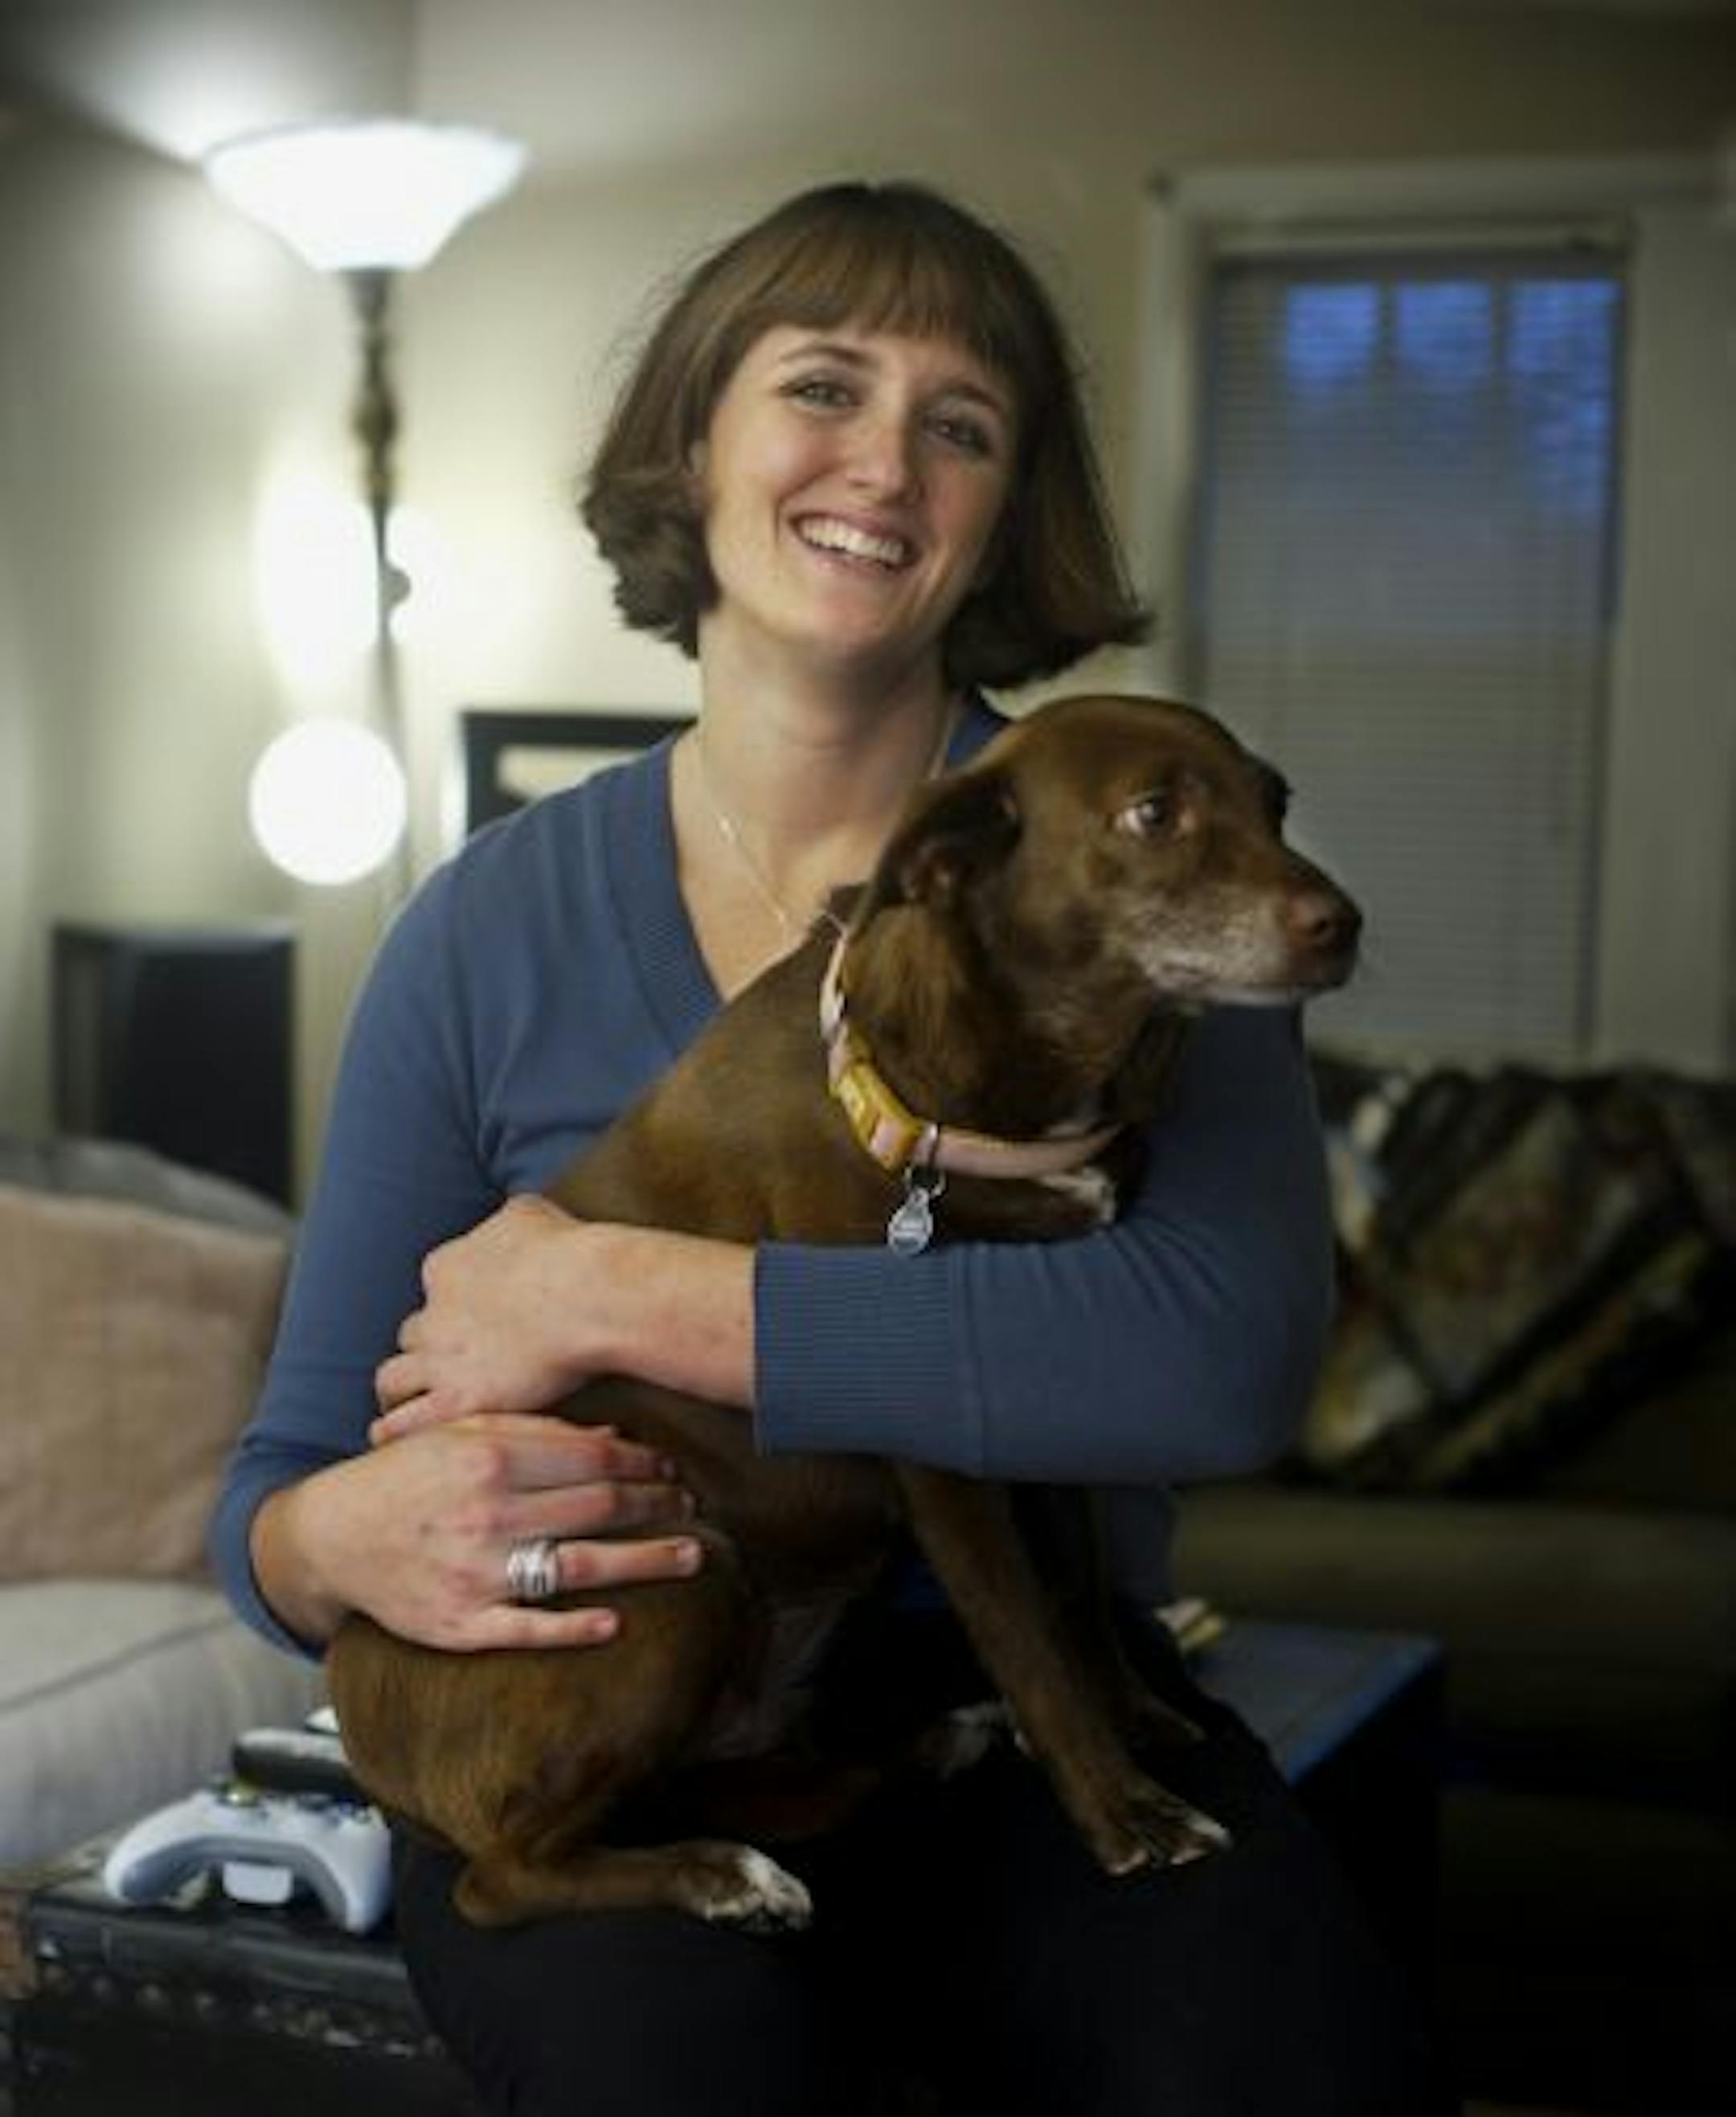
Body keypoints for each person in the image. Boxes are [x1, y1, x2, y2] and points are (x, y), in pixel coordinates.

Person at [212, 180, 1454, 2116]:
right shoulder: (484, 926)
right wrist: (325, 1537)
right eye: (822, 387)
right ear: (693, 443)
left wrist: (638, 1288)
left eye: (960, 425)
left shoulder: (1143, 863)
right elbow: (278, 1488)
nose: (885, 458)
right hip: (634, 1712)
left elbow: (1218, 1357)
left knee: (1303, 2064)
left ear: (998, 516)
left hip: (1025, 1698)